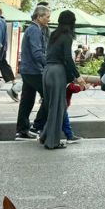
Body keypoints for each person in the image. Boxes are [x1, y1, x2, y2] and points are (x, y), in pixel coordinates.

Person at [40, 10, 83, 149]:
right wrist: (78, 76)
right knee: (58, 108)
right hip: (57, 72)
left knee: (54, 106)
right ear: (72, 22)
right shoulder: (67, 36)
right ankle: (52, 142)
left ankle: (45, 136)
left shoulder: (54, 34)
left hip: (47, 71)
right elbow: (67, 58)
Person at [16, 5, 51, 140]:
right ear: (39, 17)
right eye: (47, 17)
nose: (49, 19)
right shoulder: (35, 30)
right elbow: (37, 53)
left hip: (27, 70)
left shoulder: (33, 29)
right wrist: (48, 65)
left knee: (27, 101)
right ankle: (36, 126)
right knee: (50, 96)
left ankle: (22, 130)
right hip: (34, 71)